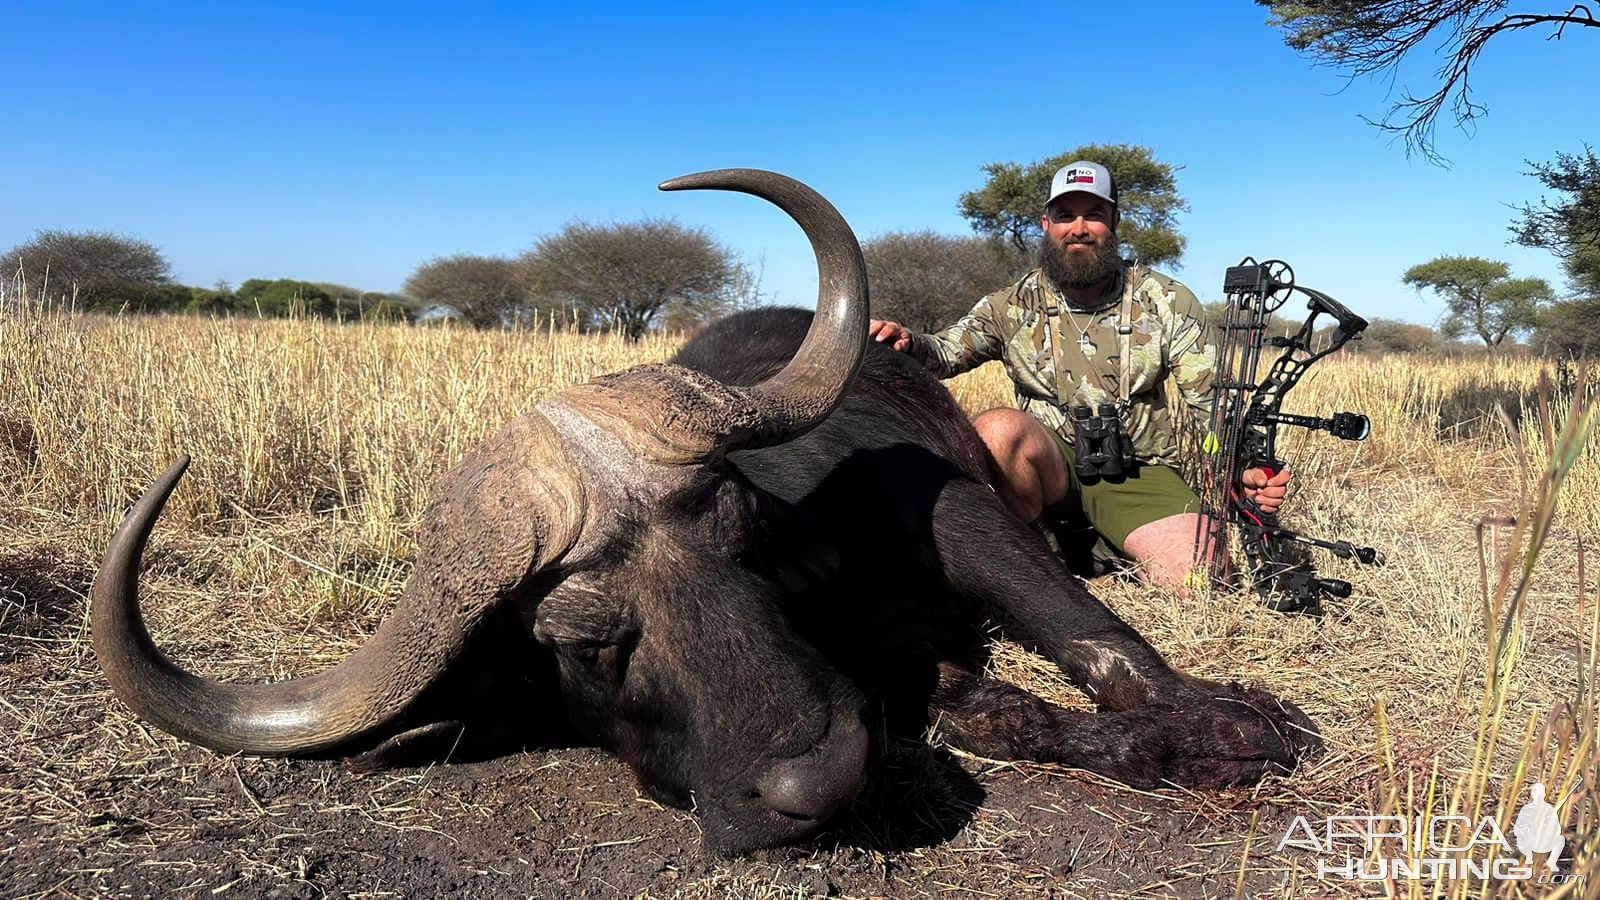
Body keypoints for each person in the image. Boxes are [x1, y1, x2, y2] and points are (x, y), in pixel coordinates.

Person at [868, 160, 1289, 591]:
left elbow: (1210, 408)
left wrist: (1241, 466)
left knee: (1202, 578)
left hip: (1138, 470)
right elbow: (943, 353)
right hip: (1051, 470)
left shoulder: (1165, 299)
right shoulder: (1009, 304)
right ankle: (1038, 551)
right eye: (1066, 216)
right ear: (1046, 224)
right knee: (998, 430)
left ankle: (1107, 552)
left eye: (1094, 215)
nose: (1079, 228)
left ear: (1115, 222)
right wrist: (905, 342)